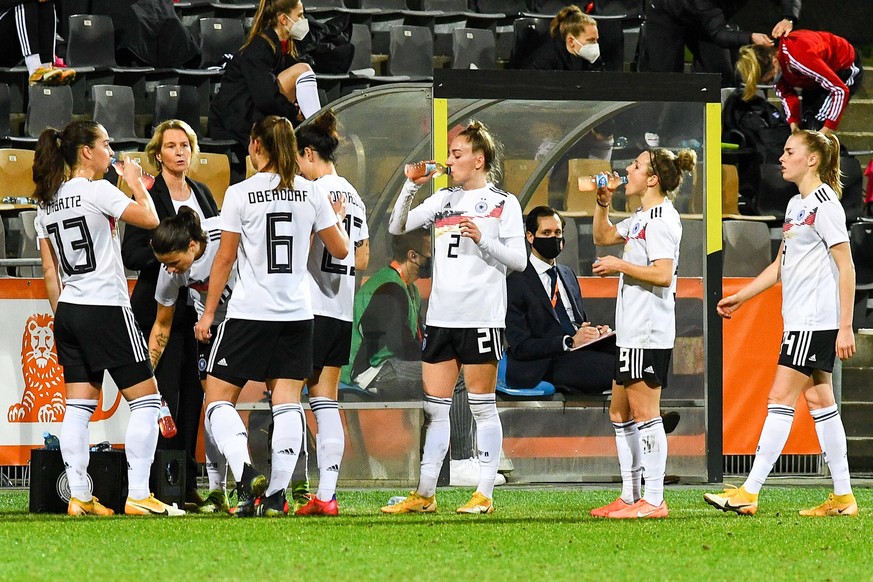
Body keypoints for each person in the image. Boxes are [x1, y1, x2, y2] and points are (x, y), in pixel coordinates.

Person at [194, 115, 349, 518]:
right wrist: (321, 221)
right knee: (286, 403)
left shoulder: (240, 193)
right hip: (298, 313)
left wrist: (208, 314)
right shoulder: (311, 193)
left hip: (249, 312)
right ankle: (278, 493)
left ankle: (246, 474)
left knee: (217, 400)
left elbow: (225, 258)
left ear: (257, 145)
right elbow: (342, 250)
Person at [33, 120, 183, 516]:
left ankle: (79, 496)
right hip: (106, 307)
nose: (111, 150)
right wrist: (135, 180)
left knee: (78, 408)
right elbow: (151, 220)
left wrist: (65, 316)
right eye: (105, 143)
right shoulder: (99, 191)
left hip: (68, 310)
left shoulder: (46, 203)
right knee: (148, 400)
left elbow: (50, 273)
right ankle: (137, 493)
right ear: (86, 152)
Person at [704, 130, 857, 517]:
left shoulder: (827, 206)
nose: (782, 159)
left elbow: (847, 266)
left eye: (790, 152)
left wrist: (845, 325)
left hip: (813, 321)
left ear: (812, 160)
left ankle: (749, 492)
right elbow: (778, 267)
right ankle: (843, 498)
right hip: (802, 321)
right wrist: (742, 296)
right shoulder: (794, 205)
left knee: (778, 399)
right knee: (820, 401)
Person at [382, 120, 526, 515]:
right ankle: (425, 493)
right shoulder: (443, 200)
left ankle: (484, 493)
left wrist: (485, 239)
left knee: (482, 407)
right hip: (442, 318)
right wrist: (411, 185)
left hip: (481, 318)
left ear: (479, 160)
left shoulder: (502, 203)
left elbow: (520, 261)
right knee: (436, 408)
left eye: (457, 155)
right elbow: (397, 227)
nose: (450, 161)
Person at [589, 147, 696, 519]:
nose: (628, 171)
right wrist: (603, 203)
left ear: (653, 179)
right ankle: (630, 495)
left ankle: (654, 499)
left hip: (648, 330)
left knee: (645, 413)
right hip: (631, 330)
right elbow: (602, 236)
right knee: (619, 413)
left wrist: (621, 265)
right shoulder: (640, 217)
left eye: (635, 166)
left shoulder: (663, 218)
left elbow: (664, 274)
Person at [121, 119, 219, 509]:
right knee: (166, 398)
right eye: (171, 146)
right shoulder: (147, 193)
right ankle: (162, 482)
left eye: (185, 145)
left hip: (198, 313)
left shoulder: (203, 192)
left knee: (194, 396)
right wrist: (170, 259)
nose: (179, 152)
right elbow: (131, 253)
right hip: (159, 307)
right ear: (157, 153)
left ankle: (186, 482)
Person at [292, 109, 369, 516]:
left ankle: (281, 488)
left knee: (286, 397)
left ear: (308, 154)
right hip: (340, 309)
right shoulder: (353, 193)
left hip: (310, 306)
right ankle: (326, 495)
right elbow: (364, 255)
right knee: (326, 401)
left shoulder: (313, 192)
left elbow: (302, 247)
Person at [148, 207, 236, 514]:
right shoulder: (169, 269)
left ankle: (285, 485)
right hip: (208, 333)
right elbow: (162, 324)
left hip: (247, 322)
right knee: (214, 406)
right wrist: (148, 371)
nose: (170, 271)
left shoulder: (226, 232)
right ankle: (217, 491)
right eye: (165, 265)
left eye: (173, 264)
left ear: (193, 246)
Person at [506, 206, 614, 394]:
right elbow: (520, 346)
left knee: (633, 355)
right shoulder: (515, 282)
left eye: (557, 233)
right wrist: (569, 342)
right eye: (546, 233)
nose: (553, 238)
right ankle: (647, 421)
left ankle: (647, 417)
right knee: (619, 368)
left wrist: (593, 333)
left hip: (578, 354)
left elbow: (578, 324)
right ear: (530, 237)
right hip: (545, 364)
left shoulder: (567, 274)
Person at [209, 0, 320, 161]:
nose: (304, 21)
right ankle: (317, 135)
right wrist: (294, 112)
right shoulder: (259, 47)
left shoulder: (283, 46)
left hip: (256, 112)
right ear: (283, 19)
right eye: (300, 15)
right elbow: (265, 98)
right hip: (239, 117)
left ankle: (313, 136)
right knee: (303, 70)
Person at [638, 0, 799, 87]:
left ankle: (716, 130)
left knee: (721, 75)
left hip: (710, 17)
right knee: (665, 77)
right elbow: (717, 33)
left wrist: (789, 17)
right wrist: (750, 37)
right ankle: (658, 131)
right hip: (667, 14)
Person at [735, 30, 863, 135]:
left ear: (774, 62)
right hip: (814, 78)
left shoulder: (799, 56)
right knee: (803, 124)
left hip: (842, 68)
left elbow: (840, 90)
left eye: (769, 79)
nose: (770, 83)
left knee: (816, 128)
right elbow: (787, 95)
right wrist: (793, 125)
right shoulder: (774, 61)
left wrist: (826, 130)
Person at [0, 0, 74, 85]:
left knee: (47, 2)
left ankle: (46, 67)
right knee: (27, 2)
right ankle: (34, 67)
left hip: (14, 46)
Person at [520, 6, 605, 72]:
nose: (595, 45)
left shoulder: (592, 57)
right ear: (571, 41)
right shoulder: (544, 61)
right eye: (590, 40)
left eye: (596, 40)